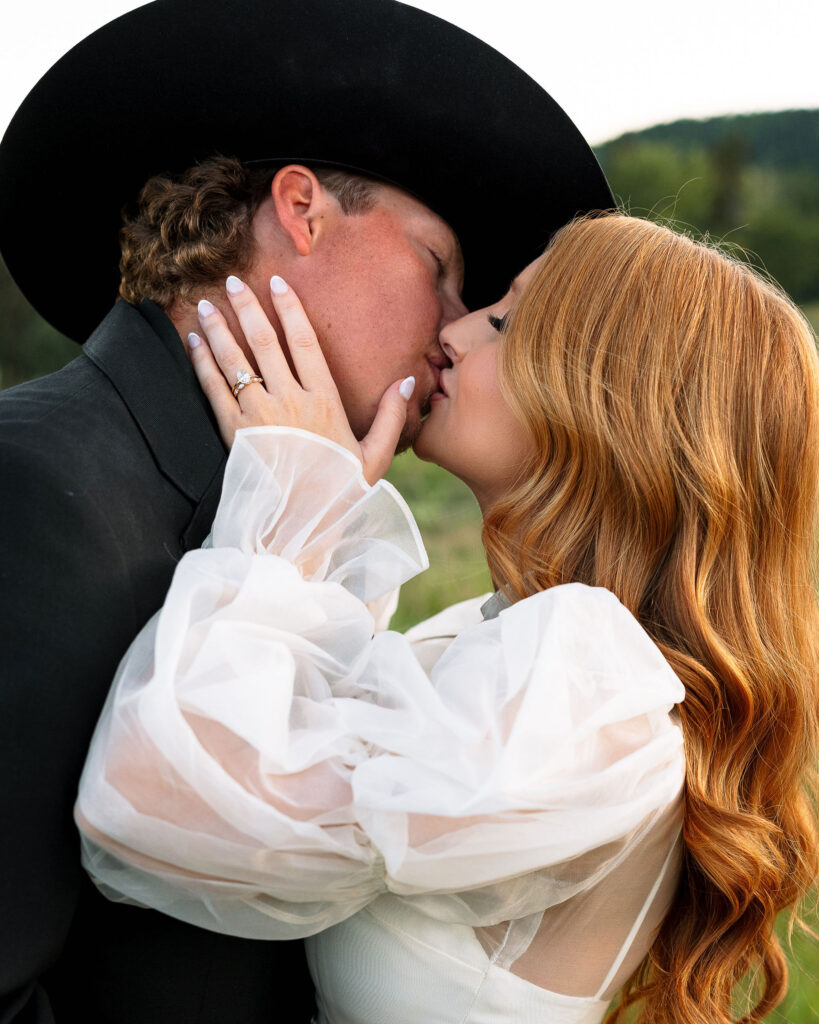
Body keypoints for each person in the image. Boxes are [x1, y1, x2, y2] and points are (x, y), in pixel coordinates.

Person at [0, 1, 613, 1020]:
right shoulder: (34, 493)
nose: (455, 329)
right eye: (439, 269)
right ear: (302, 210)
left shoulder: (294, 526)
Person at [75, 212, 819, 1024]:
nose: (454, 332)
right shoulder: (511, 639)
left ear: (615, 408)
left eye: (505, 323)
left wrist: (291, 507)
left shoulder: (591, 692)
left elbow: (152, 802)